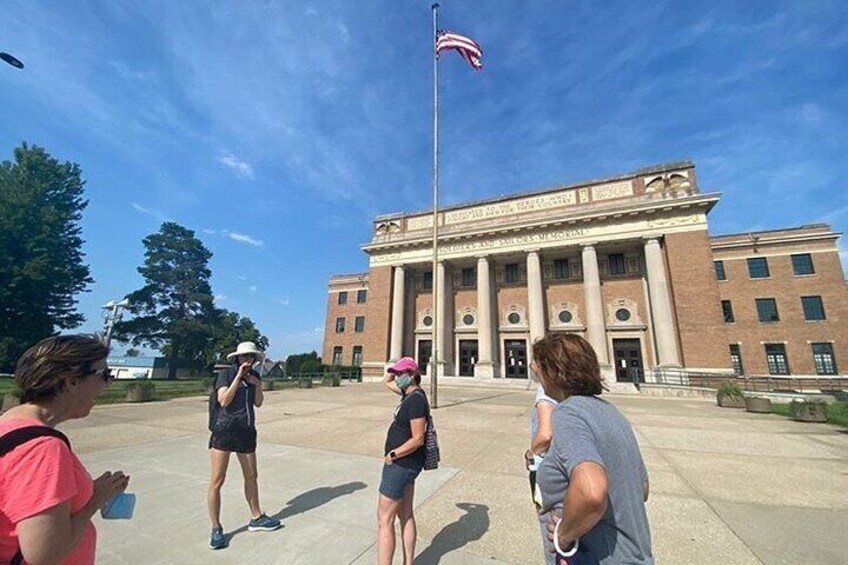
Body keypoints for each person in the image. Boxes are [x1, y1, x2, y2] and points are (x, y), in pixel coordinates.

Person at [0, 334, 130, 565]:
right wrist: (95, 501)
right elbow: (45, 555)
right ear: (71, 381)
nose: (109, 383)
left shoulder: (9, 425)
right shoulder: (42, 449)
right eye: (104, 375)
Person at [533, 333, 653, 564]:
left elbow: (592, 491)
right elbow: (643, 488)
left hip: (596, 556)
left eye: (538, 369)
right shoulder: (610, 411)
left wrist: (563, 534)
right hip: (634, 554)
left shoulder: (569, 413)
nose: (536, 375)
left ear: (552, 371)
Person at [207, 341, 281, 550]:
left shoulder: (255, 377)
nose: (247, 360)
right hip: (224, 432)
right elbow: (223, 400)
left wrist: (256, 385)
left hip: (246, 432)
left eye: (251, 357)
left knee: (251, 476)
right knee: (217, 480)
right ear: (237, 358)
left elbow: (258, 403)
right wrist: (238, 377)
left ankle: (256, 517)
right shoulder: (226, 374)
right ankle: (216, 527)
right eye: (244, 356)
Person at [377, 357, 429, 565]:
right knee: (405, 515)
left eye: (400, 373)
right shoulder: (409, 394)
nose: (396, 377)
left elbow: (418, 439)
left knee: (384, 520)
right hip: (407, 465)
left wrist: (393, 455)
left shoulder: (415, 399)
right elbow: (387, 382)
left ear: (411, 375)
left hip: (401, 464)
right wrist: (395, 367)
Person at [524, 383, 557, 560]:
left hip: (548, 471)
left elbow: (545, 435)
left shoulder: (547, 388)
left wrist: (531, 453)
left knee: (552, 532)